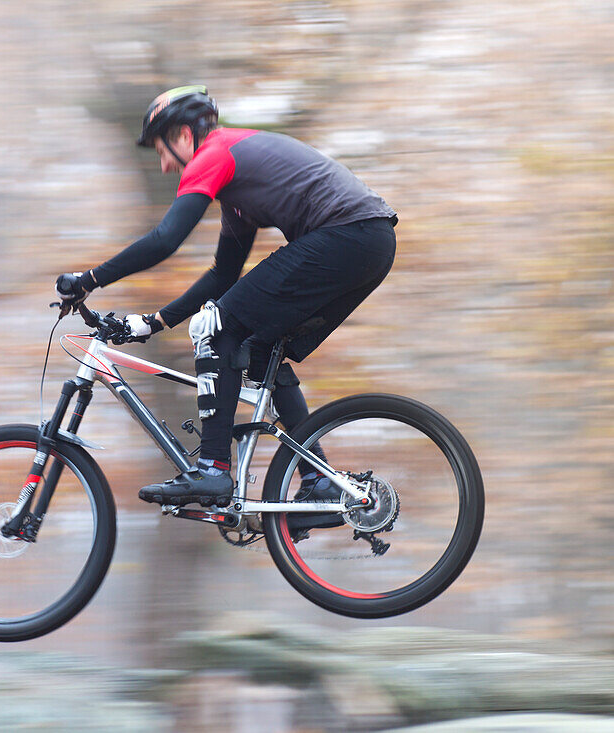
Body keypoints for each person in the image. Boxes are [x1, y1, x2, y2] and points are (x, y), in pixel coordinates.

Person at [54, 85, 397, 531]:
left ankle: (214, 472)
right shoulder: (240, 189)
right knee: (255, 346)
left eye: (162, 150)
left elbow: (165, 240)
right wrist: (154, 323)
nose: (163, 164)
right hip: (369, 243)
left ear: (183, 134)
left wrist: (89, 279)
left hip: (348, 236)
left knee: (215, 328)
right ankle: (319, 481)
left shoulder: (214, 153)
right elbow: (222, 274)